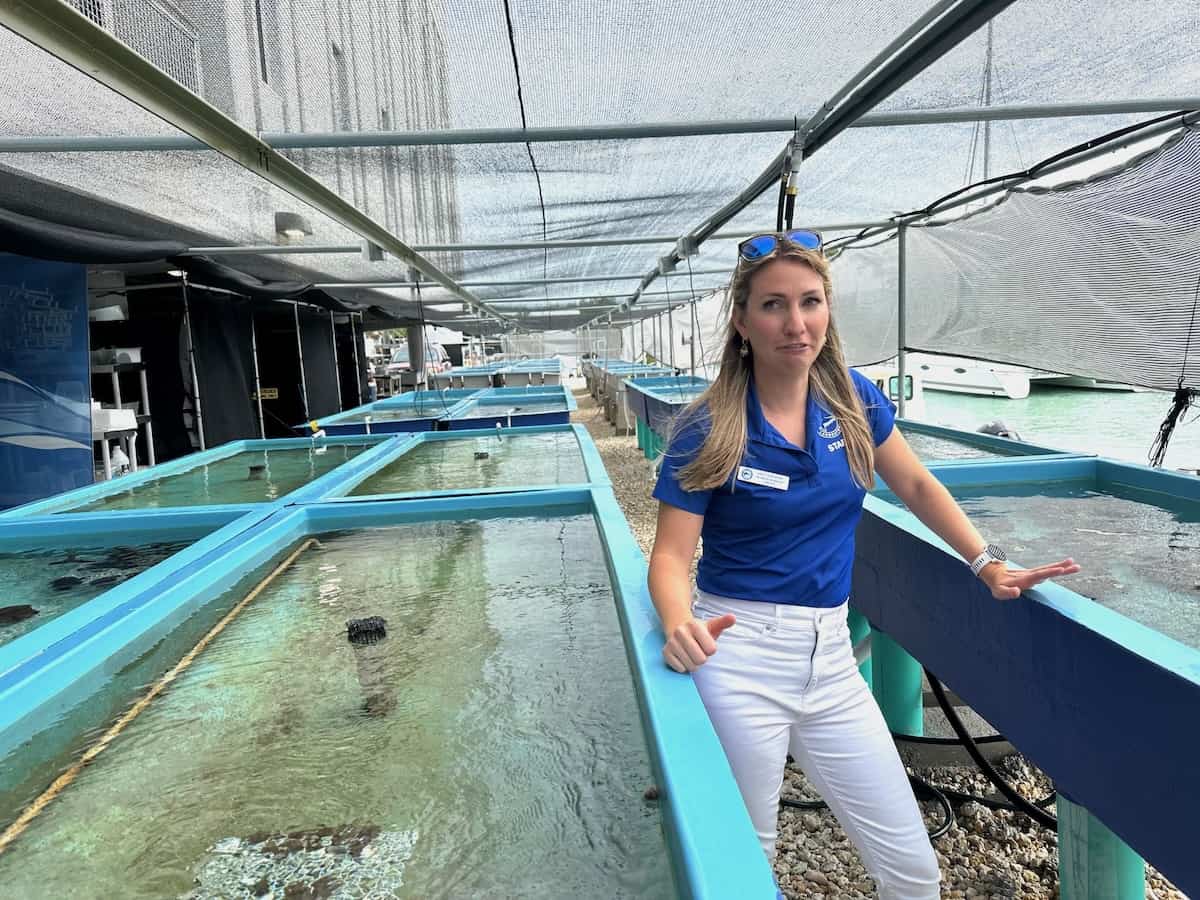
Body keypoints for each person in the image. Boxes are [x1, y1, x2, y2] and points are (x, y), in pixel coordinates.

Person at [647, 230, 1079, 899]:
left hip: (832, 659)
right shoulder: (710, 427)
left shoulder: (851, 399)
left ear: (828, 309)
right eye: (773, 306)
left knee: (911, 868)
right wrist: (678, 623)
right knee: (742, 860)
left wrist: (989, 561)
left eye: (811, 302)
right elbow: (671, 558)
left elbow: (918, 486)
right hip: (738, 657)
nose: (796, 323)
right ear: (741, 321)